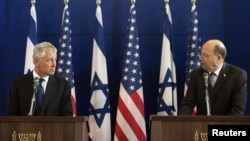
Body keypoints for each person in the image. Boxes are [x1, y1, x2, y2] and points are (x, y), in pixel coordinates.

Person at [178, 39, 247, 115]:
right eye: (201, 54)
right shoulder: (196, 74)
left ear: (218, 58)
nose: (200, 58)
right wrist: (179, 122)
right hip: (201, 125)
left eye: (205, 55)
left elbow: (237, 110)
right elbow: (188, 104)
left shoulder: (237, 75)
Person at [6, 41, 73, 116]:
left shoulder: (63, 86)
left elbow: (67, 117)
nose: (54, 64)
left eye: (55, 60)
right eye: (50, 60)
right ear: (36, 61)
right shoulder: (18, 84)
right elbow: (12, 115)